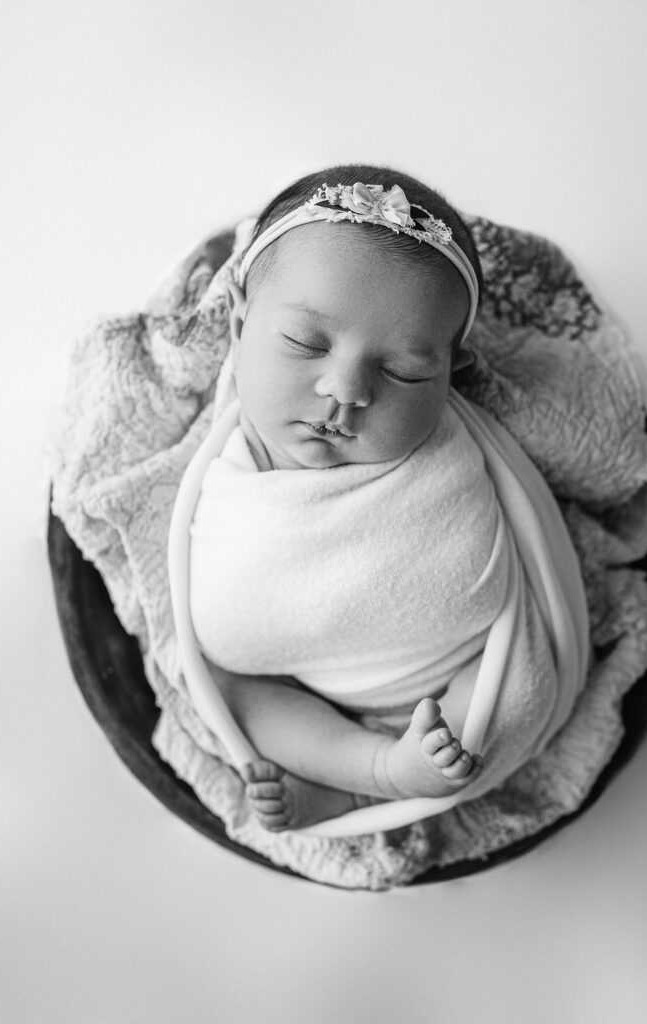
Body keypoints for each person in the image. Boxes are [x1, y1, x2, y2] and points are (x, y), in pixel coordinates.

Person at [168, 164, 589, 836]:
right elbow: (203, 631)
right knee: (233, 697)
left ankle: (373, 789)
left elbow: (516, 548)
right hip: (296, 688)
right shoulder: (215, 458)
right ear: (239, 322)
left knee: (517, 695)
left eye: (403, 370)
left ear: (453, 375)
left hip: (462, 667)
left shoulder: (451, 442)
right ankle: (369, 772)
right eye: (306, 343)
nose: (346, 389)